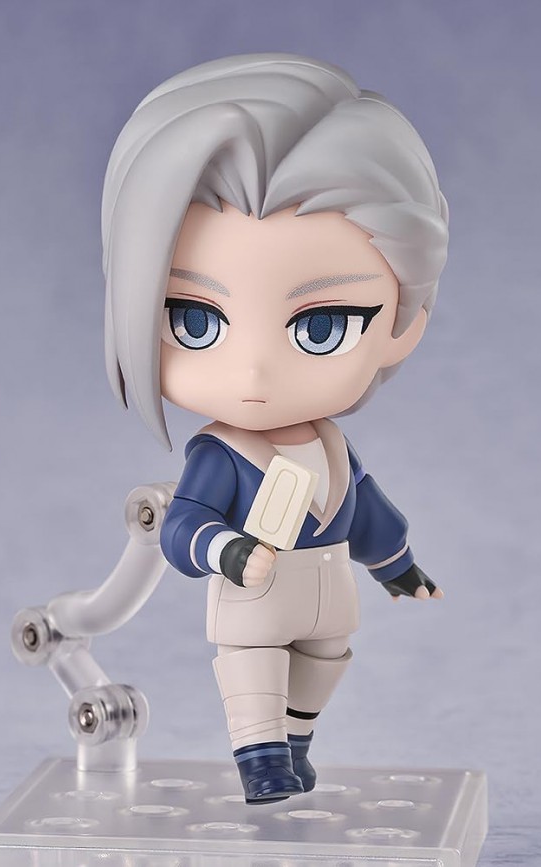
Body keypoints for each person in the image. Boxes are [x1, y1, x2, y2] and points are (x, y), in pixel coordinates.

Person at [101, 53, 449, 803]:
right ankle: (260, 758)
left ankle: (295, 741)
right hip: (254, 585)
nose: (254, 371)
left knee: (324, 659)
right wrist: (226, 550)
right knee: (252, 669)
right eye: (196, 321)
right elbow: (183, 523)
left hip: (327, 586)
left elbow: (368, 509)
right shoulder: (222, 452)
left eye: (321, 326)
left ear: (402, 324)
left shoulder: (333, 448)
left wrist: (397, 566)